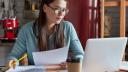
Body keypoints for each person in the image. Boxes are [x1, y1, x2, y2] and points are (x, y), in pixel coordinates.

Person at [7, 0, 84, 69]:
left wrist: (72, 62)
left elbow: (80, 54)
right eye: (57, 9)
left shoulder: (68, 28)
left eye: (63, 10)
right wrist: (12, 61)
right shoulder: (26, 30)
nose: (61, 14)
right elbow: (14, 56)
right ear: (45, 8)